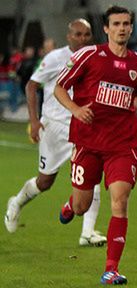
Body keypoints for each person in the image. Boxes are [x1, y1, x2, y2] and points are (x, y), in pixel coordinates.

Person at [53, 5, 137, 285]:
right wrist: (76, 110)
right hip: (88, 142)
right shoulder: (88, 56)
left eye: (126, 23)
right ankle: (70, 205)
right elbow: (59, 87)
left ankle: (111, 269)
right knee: (81, 206)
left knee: (120, 201)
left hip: (123, 144)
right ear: (106, 28)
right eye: (116, 24)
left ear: (131, 27)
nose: (122, 28)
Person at [4, 19, 106, 246]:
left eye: (87, 35)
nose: (82, 39)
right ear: (69, 36)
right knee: (45, 181)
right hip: (54, 127)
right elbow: (32, 86)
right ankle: (17, 202)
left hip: (82, 126)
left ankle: (87, 233)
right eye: (78, 34)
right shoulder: (55, 58)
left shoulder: (96, 58)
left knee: (91, 177)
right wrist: (34, 120)